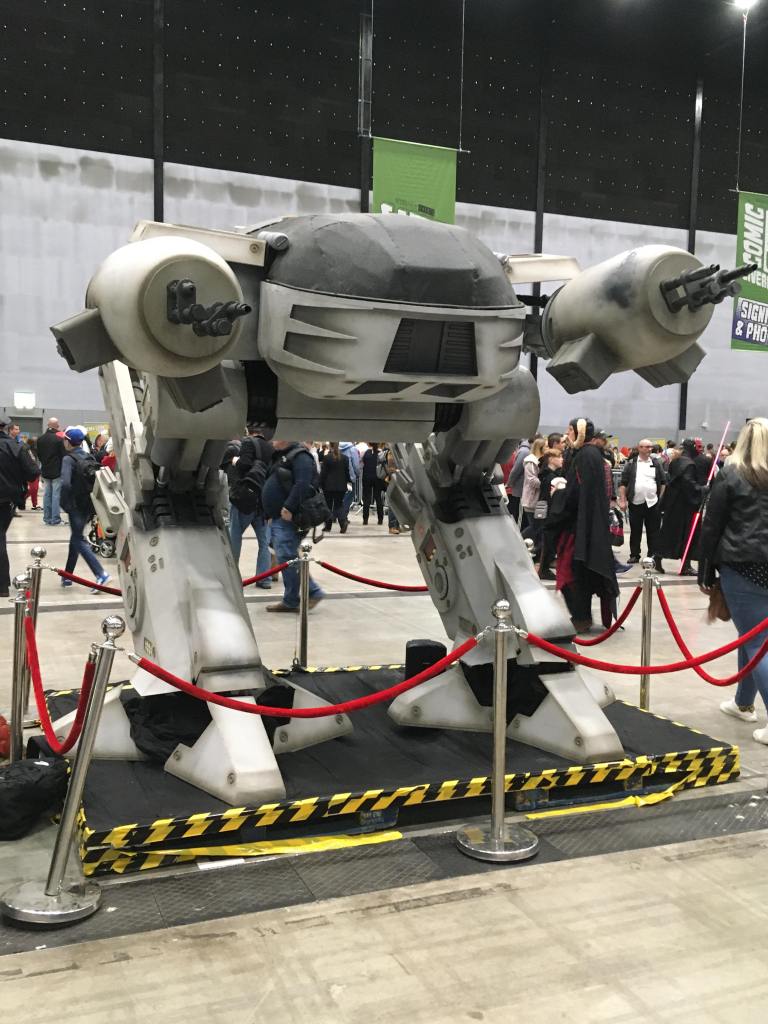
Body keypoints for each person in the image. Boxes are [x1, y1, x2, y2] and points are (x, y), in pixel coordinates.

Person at [698, 418, 768, 744]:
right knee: (751, 635)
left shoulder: (731, 474)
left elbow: (712, 524)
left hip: (741, 566)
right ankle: (743, 702)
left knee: (756, 641)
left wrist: (705, 569)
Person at [549, 417, 618, 632]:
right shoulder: (587, 454)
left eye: (570, 429)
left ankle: (581, 617)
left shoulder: (586, 455)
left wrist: (557, 494)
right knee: (576, 573)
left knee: (572, 575)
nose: (567, 433)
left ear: (579, 432)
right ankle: (581, 616)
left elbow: (577, 493)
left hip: (580, 527)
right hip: (582, 524)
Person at [261, 440, 325, 613]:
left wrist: (289, 507)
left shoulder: (300, 456)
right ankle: (291, 599)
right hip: (279, 517)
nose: (273, 439)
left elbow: (303, 484)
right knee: (286, 556)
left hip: (290, 517)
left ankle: (312, 592)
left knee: (287, 555)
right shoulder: (281, 456)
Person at [60, 426, 110, 592]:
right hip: (88, 504)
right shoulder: (89, 456)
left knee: (78, 539)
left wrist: (65, 503)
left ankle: (100, 573)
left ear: (68, 442)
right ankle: (68, 576)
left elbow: (65, 484)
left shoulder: (68, 459)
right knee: (76, 537)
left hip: (75, 504)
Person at [226, 423, 274, 588]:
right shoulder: (270, 447)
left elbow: (244, 464)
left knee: (235, 537)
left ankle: (232, 576)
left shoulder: (248, 442)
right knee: (264, 542)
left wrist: (235, 460)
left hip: (245, 499)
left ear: (248, 431)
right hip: (262, 501)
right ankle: (264, 578)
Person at [0, 415, 39, 596]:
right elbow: (33, 472)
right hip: (7, 500)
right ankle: (2, 585)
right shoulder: (17, 447)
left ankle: (2, 585)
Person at [656, 439, 704, 576]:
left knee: (670, 532)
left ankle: (658, 556)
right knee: (688, 534)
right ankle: (686, 566)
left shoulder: (676, 461)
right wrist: (702, 489)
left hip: (673, 503)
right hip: (685, 506)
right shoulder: (689, 464)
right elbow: (688, 483)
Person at [618, 438, 667, 570]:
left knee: (653, 531)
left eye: (650, 447)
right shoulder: (631, 464)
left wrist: (660, 499)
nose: (649, 449)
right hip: (635, 502)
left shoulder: (656, 463)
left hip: (653, 503)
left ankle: (652, 555)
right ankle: (634, 554)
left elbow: (663, 482)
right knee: (635, 530)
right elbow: (623, 483)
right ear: (639, 448)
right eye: (646, 447)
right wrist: (623, 500)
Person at [37, 416, 65, 526]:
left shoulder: (40, 439)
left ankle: (47, 518)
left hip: (45, 470)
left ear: (48, 425)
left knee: (47, 494)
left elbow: (39, 455)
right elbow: (63, 455)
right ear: (57, 426)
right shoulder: (59, 439)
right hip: (57, 471)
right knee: (56, 495)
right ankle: (55, 519)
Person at [320, 441, 352, 533]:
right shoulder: (345, 458)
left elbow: (323, 473)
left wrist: (320, 483)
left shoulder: (327, 458)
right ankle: (343, 522)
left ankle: (328, 526)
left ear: (330, 446)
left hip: (328, 486)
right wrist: (349, 481)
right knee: (339, 504)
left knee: (328, 505)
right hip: (341, 486)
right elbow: (347, 472)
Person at [520, 437, 548, 532]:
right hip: (531, 499)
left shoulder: (542, 461)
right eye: (546, 446)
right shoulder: (531, 462)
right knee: (534, 527)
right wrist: (545, 484)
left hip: (538, 499)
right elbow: (532, 480)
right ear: (540, 448)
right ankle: (520, 538)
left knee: (536, 527)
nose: (548, 448)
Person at [361, 443, 385, 526]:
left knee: (366, 498)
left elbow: (362, 462)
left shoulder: (366, 453)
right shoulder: (380, 453)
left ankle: (365, 519)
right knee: (378, 498)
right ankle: (380, 519)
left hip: (367, 477)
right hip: (377, 478)